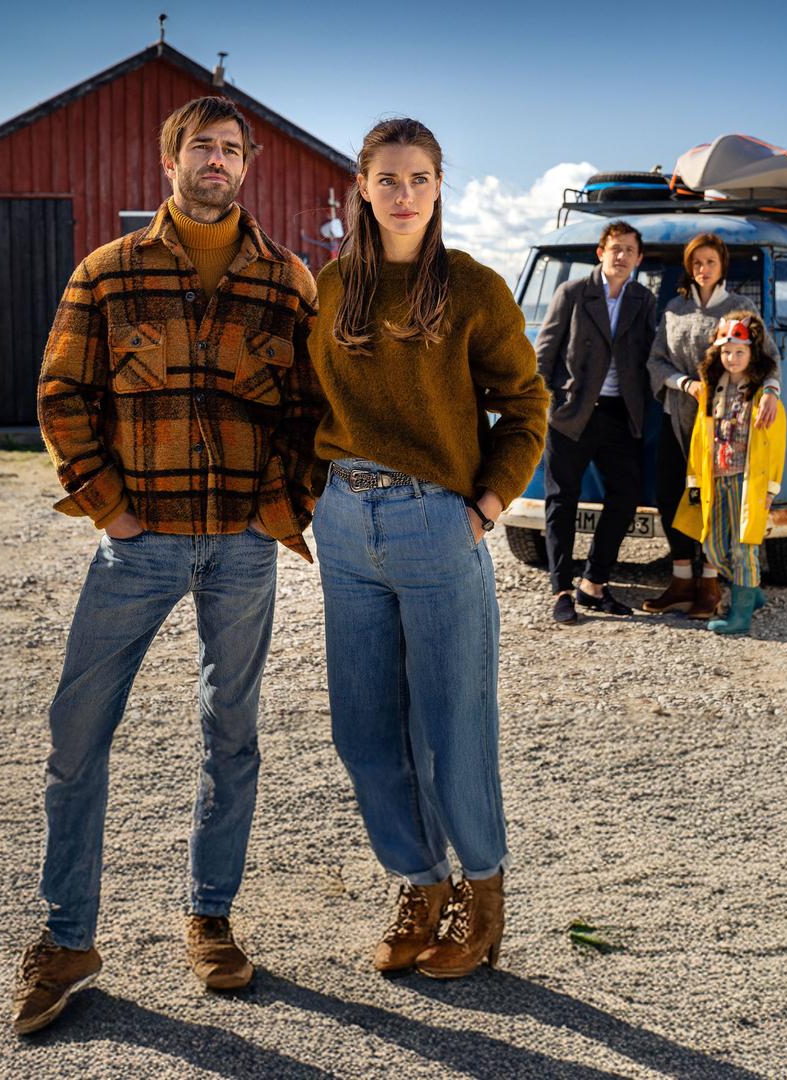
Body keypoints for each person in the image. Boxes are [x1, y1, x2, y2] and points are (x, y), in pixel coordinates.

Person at [12, 95, 324, 1035]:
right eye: (202, 148)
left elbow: (315, 413)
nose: (217, 162)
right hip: (136, 548)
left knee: (231, 733)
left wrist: (281, 506)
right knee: (77, 731)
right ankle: (68, 938)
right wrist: (110, 507)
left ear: (248, 163)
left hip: (239, 544)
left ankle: (211, 918)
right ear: (170, 161)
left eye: (232, 150)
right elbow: (61, 393)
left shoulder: (287, 282)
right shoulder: (108, 274)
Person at [303, 118, 548, 979]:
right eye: (387, 179)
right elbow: (309, 404)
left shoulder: (473, 289)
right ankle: (419, 883)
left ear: (439, 186)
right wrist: (310, 497)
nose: (402, 194)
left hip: (435, 522)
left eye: (418, 178)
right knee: (364, 728)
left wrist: (483, 506)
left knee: (452, 726)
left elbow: (525, 405)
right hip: (344, 523)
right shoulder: (333, 289)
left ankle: (481, 894)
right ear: (362, 187)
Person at [643, 233, 781, 618]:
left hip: (724, 424)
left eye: (711, 262)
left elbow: (769, 358)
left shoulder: (739, 307)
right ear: (689, 267)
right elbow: (656, 361)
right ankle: (681, 579)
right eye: (697, 263)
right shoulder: (673, 308)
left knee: (716, 498)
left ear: (722, 266)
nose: (703, 270)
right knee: (672, 494)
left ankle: (709, 582)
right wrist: (684, 383)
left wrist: (770, 391)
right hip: (678, 416)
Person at [535, 220, 658, 623]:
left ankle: (594, 583)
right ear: (600, 253)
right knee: (561, 500)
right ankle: (562, 590)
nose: (621, 256)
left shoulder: (643, 299)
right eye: (615, 248)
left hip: (619, 415)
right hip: (571, 414)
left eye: (629, 250)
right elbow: (544, 356)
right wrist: (546, 405)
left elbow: (647, 358)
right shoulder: (572, 292)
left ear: (639, 259)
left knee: (625, 496)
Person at [674, 312, 786, 636]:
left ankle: (740, 616)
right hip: (716, 479)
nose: (732, 358)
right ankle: (752, 595)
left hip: (747, 481)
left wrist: (771, 490)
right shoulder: (712, 390)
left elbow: (776, 444)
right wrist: (694, 482)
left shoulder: (763, 397)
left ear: (752, 354)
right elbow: (699, 440)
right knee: (713, 547)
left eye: (740, 352)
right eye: (726, 351)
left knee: (744, 547)